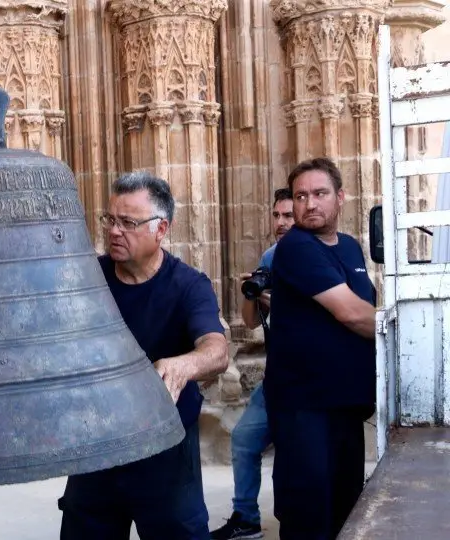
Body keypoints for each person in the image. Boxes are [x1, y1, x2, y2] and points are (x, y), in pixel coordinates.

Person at [57, 171, 230, 539]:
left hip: (164, 451)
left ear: (161, 229)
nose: (114, 231)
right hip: (97, 448)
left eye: (128, 223)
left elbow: (216, 351)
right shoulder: (88, 279)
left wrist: (184, 365)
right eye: (110, 220)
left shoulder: (188, 285)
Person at [264, 158, 376, 539]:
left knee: (346, 511)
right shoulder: (295, 247)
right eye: (301, 196)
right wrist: (407, 335)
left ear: (340, 197)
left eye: (320, 194)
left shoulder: (350, 247)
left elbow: (364, 306)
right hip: (305, 410)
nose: (310, 204)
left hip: (345, 405)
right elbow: (351, 312)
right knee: (309, 517)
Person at [211, 188, 293, 540]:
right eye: (276, 216)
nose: (281, 223)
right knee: (244, 439)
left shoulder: (317, 257)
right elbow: (251, 322)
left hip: (307, 379)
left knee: (294, 454)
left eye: (288, 215)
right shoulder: (271, 257)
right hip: (275, 378)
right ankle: (246, 518)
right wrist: (253, 293)